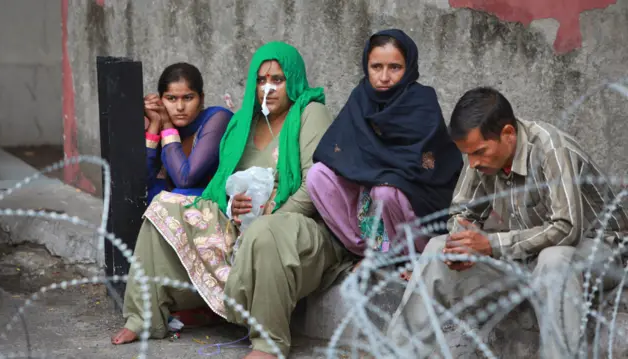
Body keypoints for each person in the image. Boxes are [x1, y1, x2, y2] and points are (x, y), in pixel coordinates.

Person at [111, 41, 354, 359]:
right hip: (243, 225)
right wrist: (232, 203)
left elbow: (315, 185)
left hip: (301, 227)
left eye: (278, 79)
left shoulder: (311, 113)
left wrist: (275, 215)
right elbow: (224, 183)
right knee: (165, 207)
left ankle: (269, 342)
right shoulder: (243, 123)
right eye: (261, 80)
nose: (269, 88)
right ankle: (144, 317)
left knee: (266, 233)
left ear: (293, 79)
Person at [388, 87, 628, 358]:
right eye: (468, 155)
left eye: (479, 152)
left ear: (508, 134)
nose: (473, 163)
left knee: (554, 258)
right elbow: (461, 212)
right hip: (523, 255)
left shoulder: (550, 148)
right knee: (436, 248)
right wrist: (462, 245)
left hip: (596, 254)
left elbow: (566, 228)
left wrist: (489, 244)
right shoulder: (480, 158)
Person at [307, 29, 463, 259]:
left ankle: (407, 257)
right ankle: (369, 252)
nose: (384, 77)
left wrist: (379, 174)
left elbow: (425, 167)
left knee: (386, 191)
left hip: (414, 203)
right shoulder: (361, 98)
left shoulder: (422, 102)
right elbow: (339, 152)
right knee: (317, 175)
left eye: (395, 68)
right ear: (366, 66)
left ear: (408, 67)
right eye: (376, 67)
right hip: (368, 200)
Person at [144, 62, 233, 202]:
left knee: (177, 195)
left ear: (201, 98)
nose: (180, 107)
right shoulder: (160, 122)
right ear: (160, 100)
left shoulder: (217, 119)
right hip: (176, 205)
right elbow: (140, 182)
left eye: (188, 98)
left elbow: (184, 179)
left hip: (213, 204)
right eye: (171, 98)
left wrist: (167, 124)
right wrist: (155, 123)